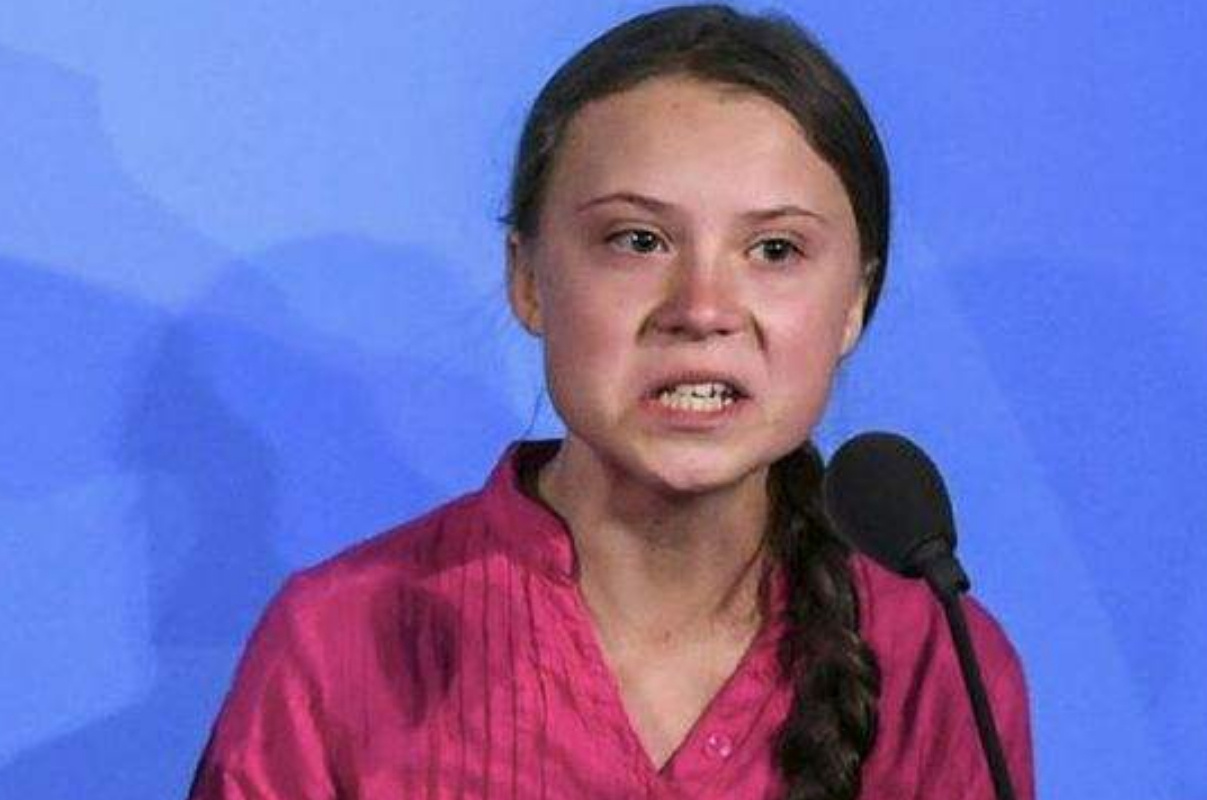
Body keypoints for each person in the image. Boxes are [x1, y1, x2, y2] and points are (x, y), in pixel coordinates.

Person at [187, 5, 1034, 799]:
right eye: (637, 240)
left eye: (774, 250)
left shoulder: (937, 661)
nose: (701, 309)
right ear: (527, 277)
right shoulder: (338, 638)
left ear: (853, 301)